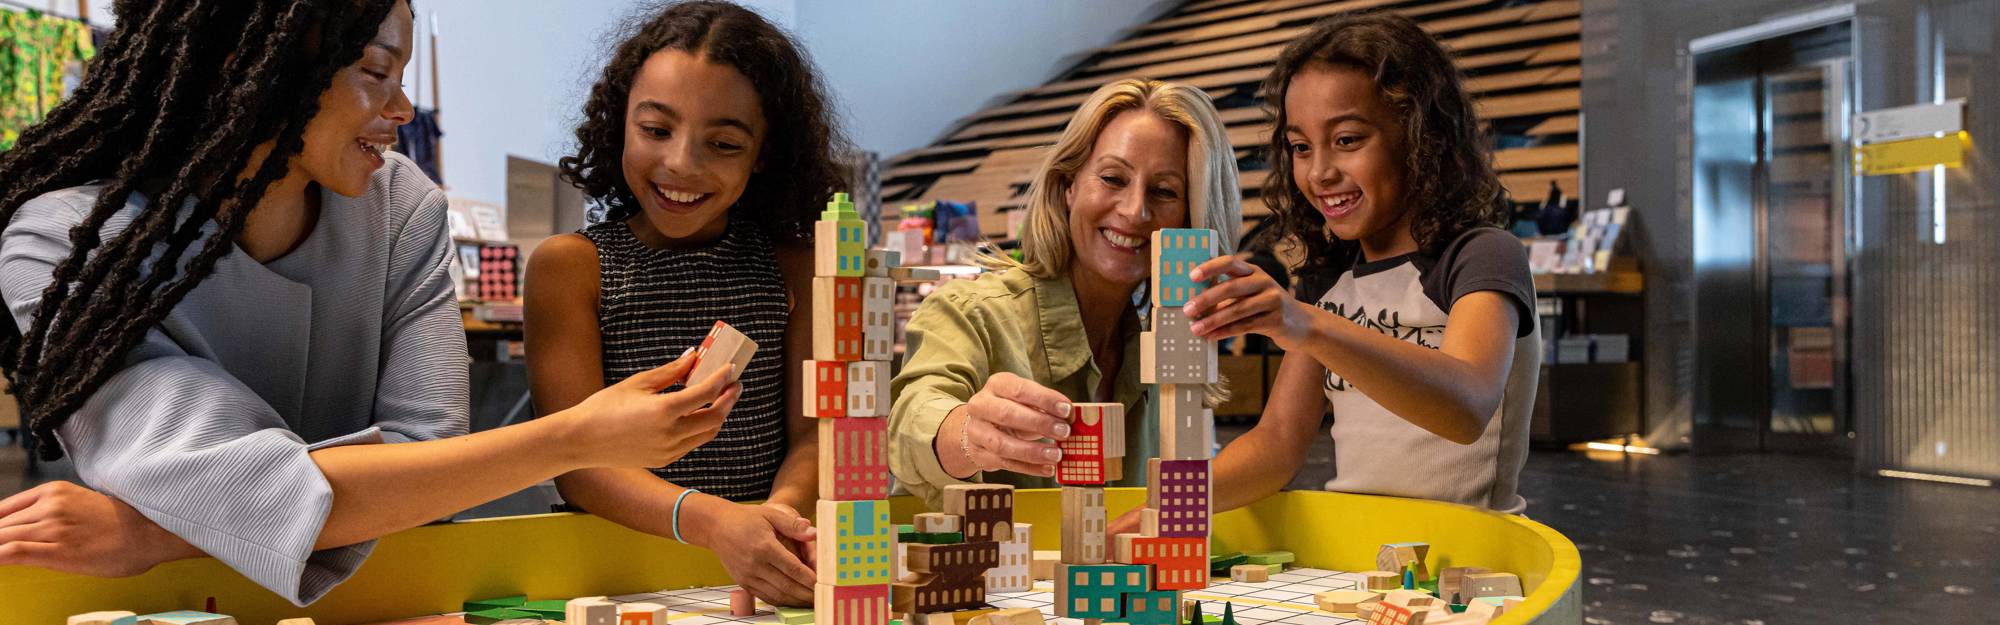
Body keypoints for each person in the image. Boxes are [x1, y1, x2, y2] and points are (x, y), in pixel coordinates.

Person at [0, 0, 734, 605]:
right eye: (376, 71)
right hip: (152, 603)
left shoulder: (401, 207)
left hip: (372, 595)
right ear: (250, 71)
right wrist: (576, 436)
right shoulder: (63, 243)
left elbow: (429, 468)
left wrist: (158, 526)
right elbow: (238, 474)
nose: (404, 106)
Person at [524, 0, 846, 607]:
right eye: (655, 130)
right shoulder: (571, 269)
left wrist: (775, 519)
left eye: (723, 143)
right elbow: (579, 462)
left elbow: (815, 431)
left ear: (765, 153)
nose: (681, 163)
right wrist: (716, 524)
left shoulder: (795, 266)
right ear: (618, 121)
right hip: (612, 572)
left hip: (762, 571)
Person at [1176, 12, 1540, 518]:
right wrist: (1161, 509)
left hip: (1474, 560)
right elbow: (1277, 444)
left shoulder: (1482, 255)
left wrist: (1308, 325)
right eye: (1301, 148)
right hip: (1362, 558)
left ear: (1420, 138)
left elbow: (1467, 407)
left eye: (1347, 140)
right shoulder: (1329, 281)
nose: (1320, 172)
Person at [889, 78, 1242, 508]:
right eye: (1113, 179)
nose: (1135, 211)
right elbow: (909, 423)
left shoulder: (1168, 347)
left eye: (1164, 191)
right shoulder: (971, 312)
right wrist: (966, 433)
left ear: (1192, 217)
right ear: (1068, 186)